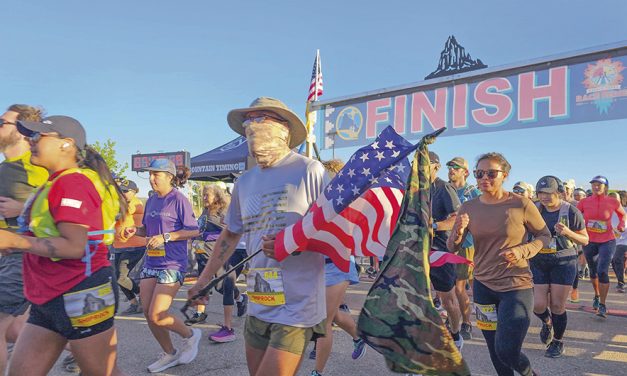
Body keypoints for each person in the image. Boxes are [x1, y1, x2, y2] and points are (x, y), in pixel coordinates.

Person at [188, 97, 328, 376]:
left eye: (260, 118)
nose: (252, 127)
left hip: (297, 304)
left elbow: (334, 231)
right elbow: (229, 234)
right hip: (260, 299)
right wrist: (203, 281)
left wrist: (292, 246)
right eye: (247, 123)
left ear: (284, 128)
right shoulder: (245, 181)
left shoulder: (308, 170)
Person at [0, 115, 127, 375]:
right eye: (29, 136)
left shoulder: (73, 182)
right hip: (47, 296)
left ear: (66, 144)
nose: (30, 140)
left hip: (81, 292)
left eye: (38, 136)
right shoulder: (53, 182)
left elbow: (74, 246)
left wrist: (15, 240)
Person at [448, 152, 550, 376]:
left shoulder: (520, 204)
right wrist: (457, 230)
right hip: (483, 287)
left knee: (507, 350)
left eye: (491, 173)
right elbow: (452, 248)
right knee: (495, 351)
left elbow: (544, 234)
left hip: (516, 286)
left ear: (505, 175)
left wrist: (525, 250)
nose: (485, 177)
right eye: (479, 173)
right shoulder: (468, 207)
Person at [123, 158, 201, 373]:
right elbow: (147, 231)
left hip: (173, 264)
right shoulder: (151, 200)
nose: (151, 178)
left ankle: (191, 335)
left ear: (169, 176)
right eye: (149, 174)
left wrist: (167, 236)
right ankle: (169, 353)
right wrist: (134, 231)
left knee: (158, 313)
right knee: (148, 313)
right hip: (151, 262)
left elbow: (194, 230)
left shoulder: (178, 199)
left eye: (156, 174)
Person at [0, 105, 48, 375]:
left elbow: (62, 209)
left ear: (21, 131)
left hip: (26, 255)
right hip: (7, 255)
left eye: (2, 122)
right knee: (17, 329)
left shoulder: (36, 166)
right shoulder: (4, 168)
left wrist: (23, 210)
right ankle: (79, 348)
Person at [309, 159, 366, 376]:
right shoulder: (314, 200)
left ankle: (317, 373)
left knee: (324, 320)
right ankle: (360, 337)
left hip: (337, 265)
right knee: (331, 315)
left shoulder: (346, 201)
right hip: (316, 268)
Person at [530, 176, 588, 358]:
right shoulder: (534, 209)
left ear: (559, 192)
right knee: (538, 305)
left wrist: (568, 232)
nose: (544, 197)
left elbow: (585, 239)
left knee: (557, 305)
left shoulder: (571, 211)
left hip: (563, 261)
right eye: (541, 193)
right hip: (539, 261)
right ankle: (547, 323)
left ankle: (558, 341)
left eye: (549, 193)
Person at [187, 185, 249, 343]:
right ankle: (239, 299)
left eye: (207, 195)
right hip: (205, 254)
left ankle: (228, 328)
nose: (204, 198)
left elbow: (229, 232)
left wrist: (207, 236)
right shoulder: (206, 211)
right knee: (216, 287)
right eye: (203, 195)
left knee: (226, 286)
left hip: (229, 253)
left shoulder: (224, 211)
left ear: (217, 196)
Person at [427, 151, 463, 349]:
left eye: (426, 165)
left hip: (441, 252)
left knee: (448, 300)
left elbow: (457, 219)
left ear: (436, 167)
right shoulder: (415, 189)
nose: (421, 169)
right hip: (418, 252)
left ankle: (456, 334)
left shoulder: (443, 188)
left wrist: (433, 226)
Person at [577, 176, 626, 317]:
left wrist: (622, 224)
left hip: (607, 241)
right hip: (589, 241)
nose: (596, 187)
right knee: (593, 271)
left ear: (606, 187)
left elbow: (623, 215)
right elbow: (575, 215)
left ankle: (603, 304)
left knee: (602, 270)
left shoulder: (613, 201)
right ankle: (597, 295)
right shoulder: (584, 202)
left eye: (599, 185)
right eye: (594, 184)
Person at [446, 156, 481, 341]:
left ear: (465, 172)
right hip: (448, 244)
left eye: (455, 167)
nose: (451, 170)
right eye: (450, 167)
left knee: (461, 287)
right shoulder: (446, 189)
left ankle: (466, 322)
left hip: (467, 245)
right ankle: (455, 319)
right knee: (449, 287)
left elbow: (483, 215)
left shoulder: (472, 191)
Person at [113, 179, 146, 315]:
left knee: (121, 277)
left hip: (134, 246)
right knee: (117, 277)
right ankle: (134, 303)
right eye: (121, 191)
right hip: (120, 245)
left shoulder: (135, 204)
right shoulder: (122, 202)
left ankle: (143, 296)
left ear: (134, 192)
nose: (123, 193)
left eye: (126, 191)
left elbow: (122, 213)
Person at [610, 191, 627, 293]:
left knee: (617, 258)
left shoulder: (625, 211)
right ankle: (621, 281)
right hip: (612, 241)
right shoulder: (608, 213)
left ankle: (621, 283)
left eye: (614, 199)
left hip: (624, 241)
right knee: (613, 261)